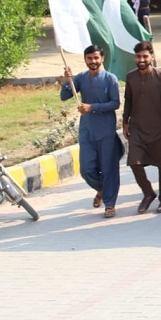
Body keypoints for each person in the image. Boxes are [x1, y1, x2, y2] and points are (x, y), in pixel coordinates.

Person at [60, 45, 124, 218]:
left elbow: (115, 103)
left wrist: (92, 107)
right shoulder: (81, 77)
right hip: (87, 130)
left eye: (96, 58)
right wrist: (67, 81)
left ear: (102, 58)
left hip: (106, 131)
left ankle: (110, 204)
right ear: (85, 60)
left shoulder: (110, 79)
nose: (93, 62)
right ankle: (102, 189)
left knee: (109, 168)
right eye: (90, 58)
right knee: (86, 169)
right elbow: (64, 96)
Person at [123, 41, 161, 214]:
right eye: (138, 56)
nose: (141, 59)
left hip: (159, 128)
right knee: (134, 162)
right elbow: (128, 101)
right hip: (137, 128)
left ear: (152, 57)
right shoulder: (131, 77)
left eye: (145, 56)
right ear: (135, 57)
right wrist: (125, 122)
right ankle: (148, 193)